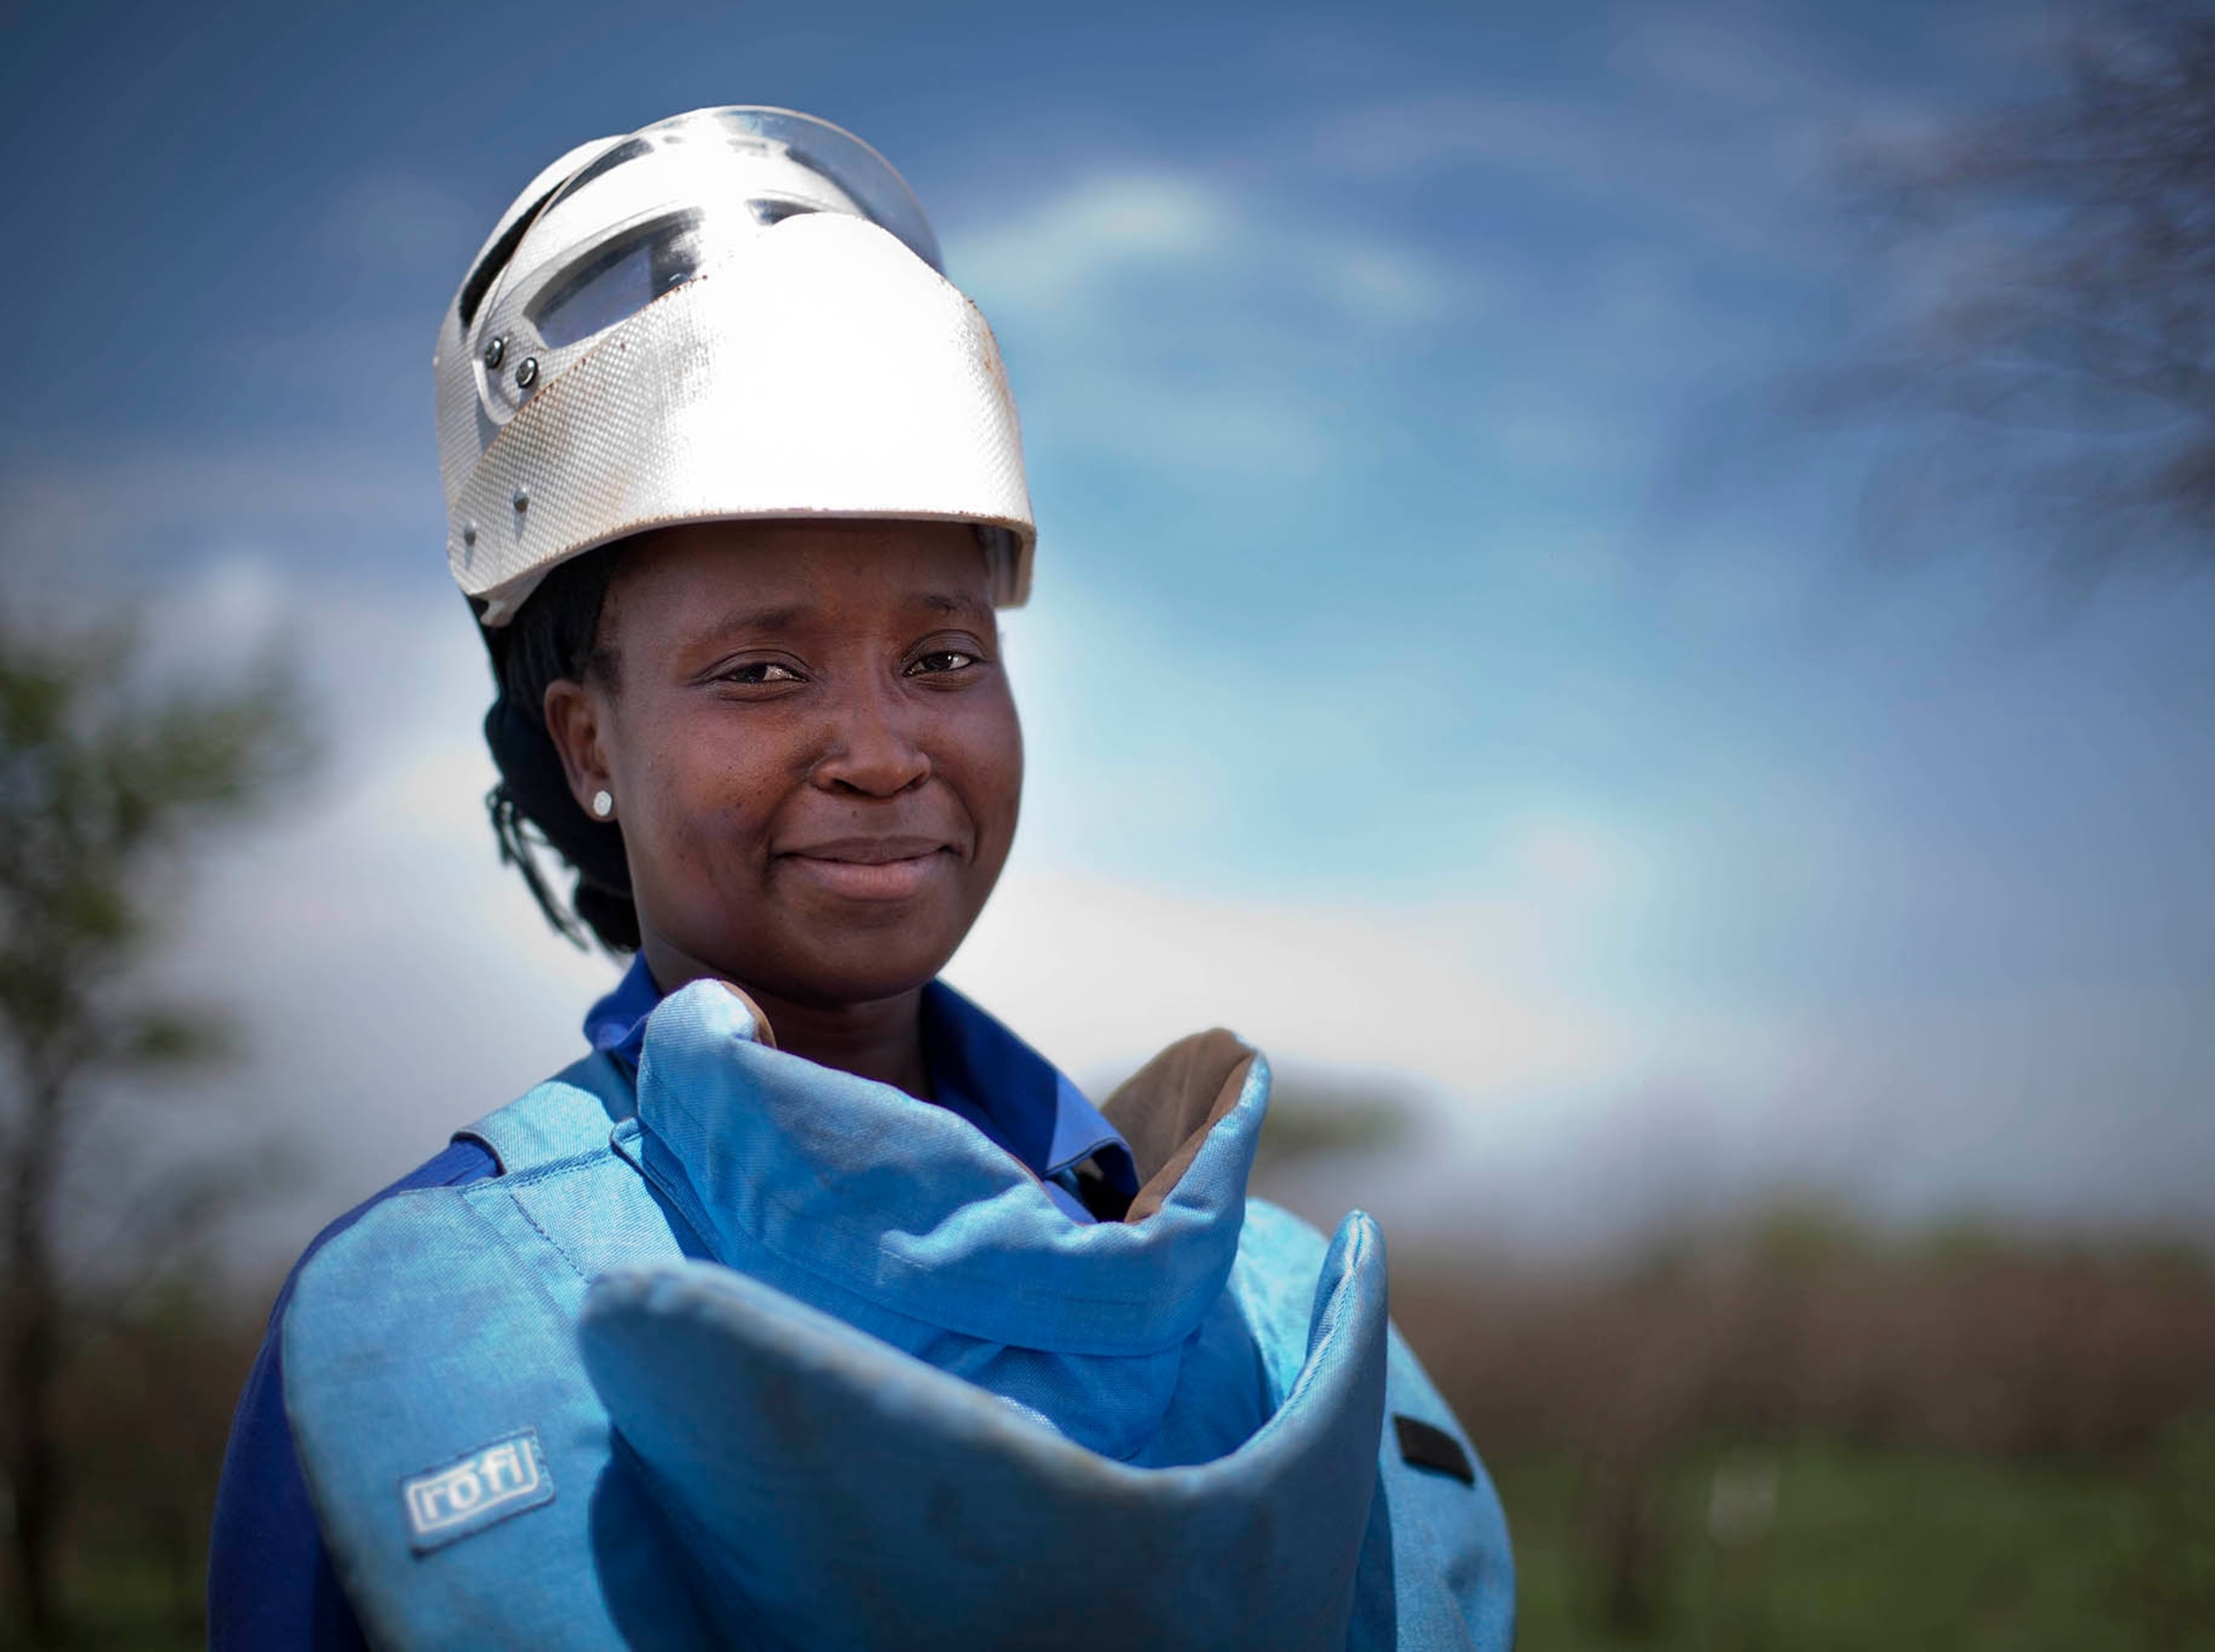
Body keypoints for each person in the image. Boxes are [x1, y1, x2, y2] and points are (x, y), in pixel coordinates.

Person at [206, 106, 1513, 1649]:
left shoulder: (1282, 1310)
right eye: (760, 670)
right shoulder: (418, 1337)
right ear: (587, 744)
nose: (883, 749)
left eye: (943, 655)